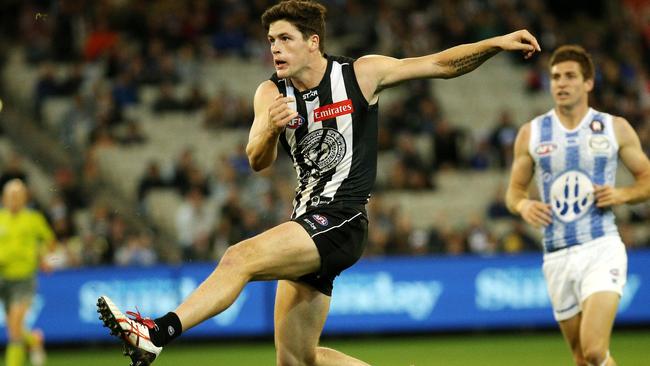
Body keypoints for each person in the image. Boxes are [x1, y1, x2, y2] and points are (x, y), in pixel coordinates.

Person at [97, 1, 540, 365]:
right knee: (296, 359)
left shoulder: (360, 74)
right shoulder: (270, 94)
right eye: (271, 40)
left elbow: (441, 64)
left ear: (313, 43)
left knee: (238, 257)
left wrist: (496, 43)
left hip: (342, 218)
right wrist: (269, 128)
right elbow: (256, 159)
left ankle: (156, 331)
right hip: (307, 223)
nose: (276, 48)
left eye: (285, 38)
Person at [505, 45, 650, 366]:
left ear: (588, 83)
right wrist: (524, 206)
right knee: (582, 359)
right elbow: (513, 192)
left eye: (570, 76)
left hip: (601, 247)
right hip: (556, 255)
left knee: (596, 350)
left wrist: (622, 195)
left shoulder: (614, 128)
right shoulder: (532, 133)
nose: (561, 83)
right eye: (555, 76)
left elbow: (646, 179)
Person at [0, 179, 53, 366]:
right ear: (4, 198)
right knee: (14, 327)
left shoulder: (33, 219)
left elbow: (49, 241)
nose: (14, 199)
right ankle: (33, 340)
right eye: (10, 195)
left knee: (13, 331)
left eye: (18, 195)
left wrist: (45, 257)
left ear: (24, 198)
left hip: (24, 279)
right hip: (2, 279)